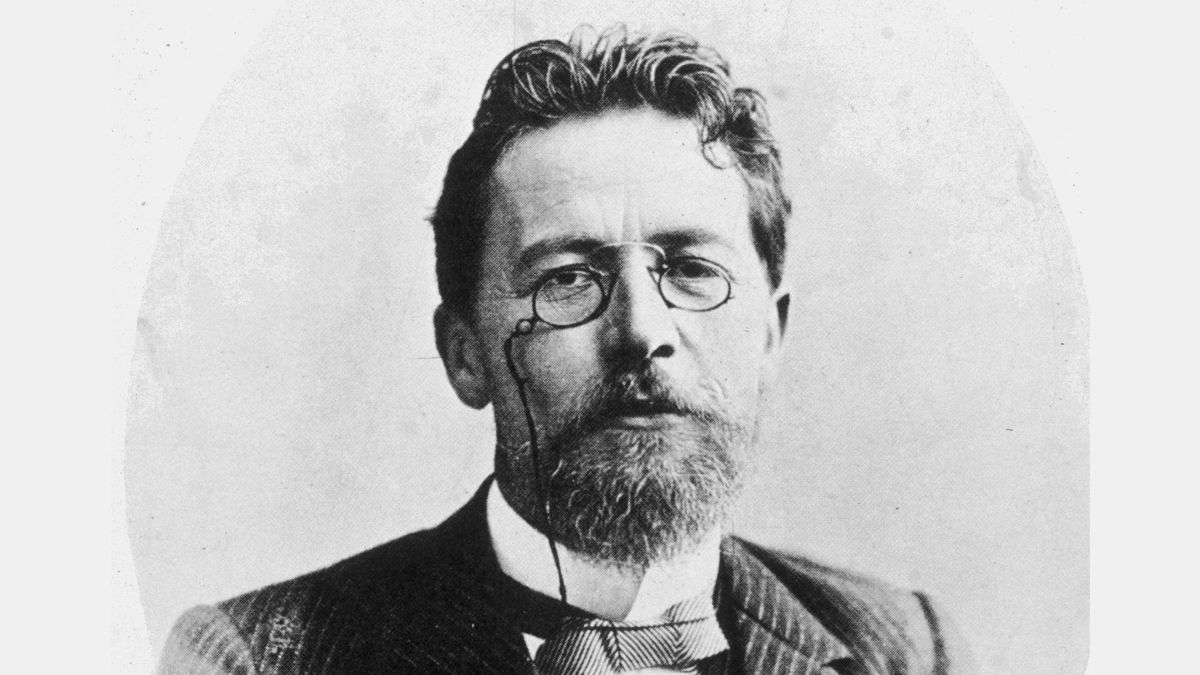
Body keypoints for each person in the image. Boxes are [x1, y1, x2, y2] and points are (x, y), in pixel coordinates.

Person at [159, 26, 970, 675]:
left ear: (768, 334)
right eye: (568, 280)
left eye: (693, 270)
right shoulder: (256, 657)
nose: (643, 332)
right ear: (465, 355)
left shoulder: (903, 647)